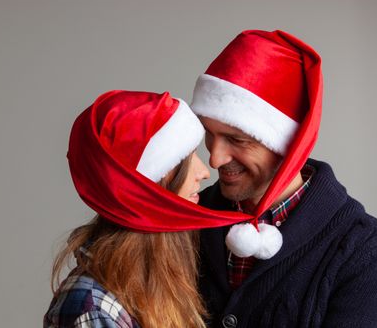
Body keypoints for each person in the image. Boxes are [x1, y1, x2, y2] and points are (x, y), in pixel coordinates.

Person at [190, 29, 377, 327]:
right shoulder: (188, 221)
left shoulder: (365, 252)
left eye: (237, 139)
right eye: (209, 134)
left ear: (288, 143)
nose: (214, 158)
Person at [44, 90, 255, 328]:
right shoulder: (93, 308)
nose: (204, 172)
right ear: (151, 182)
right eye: (187, 158)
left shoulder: (160, 277)